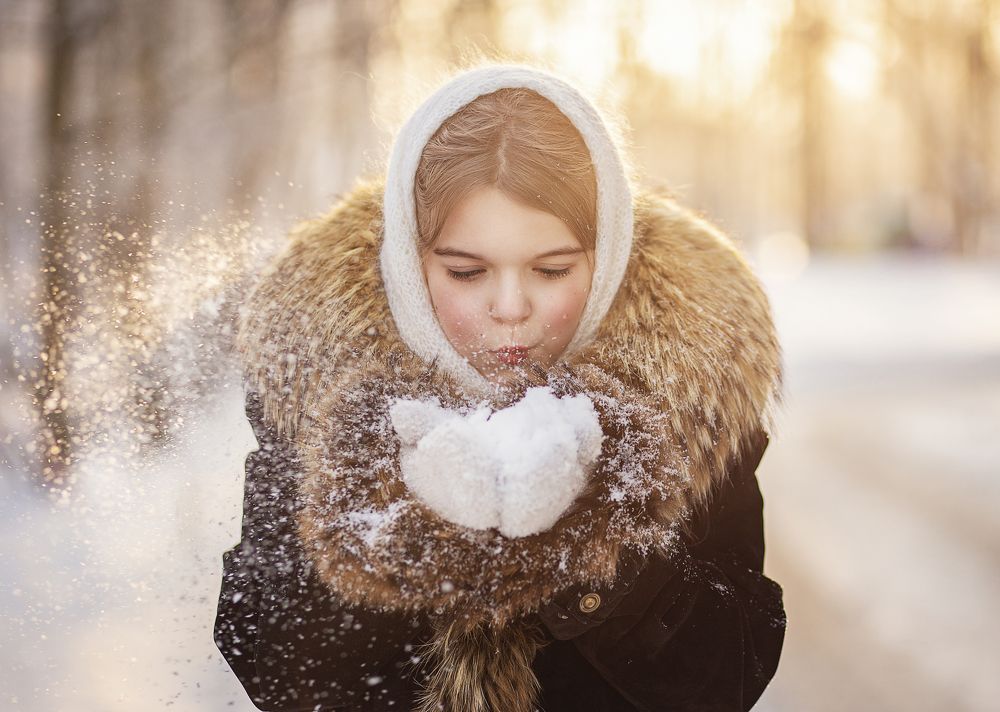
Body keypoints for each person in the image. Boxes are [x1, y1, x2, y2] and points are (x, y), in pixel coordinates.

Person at [214, 62, 786, 712]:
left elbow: (731, 676)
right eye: (466, 272)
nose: (510, 307)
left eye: (550, 269)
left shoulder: (688, 380)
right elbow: (270, 662)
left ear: (607, 258)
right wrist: (385, 512)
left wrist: (588, 537)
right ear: (410, 260)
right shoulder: (320, 377)